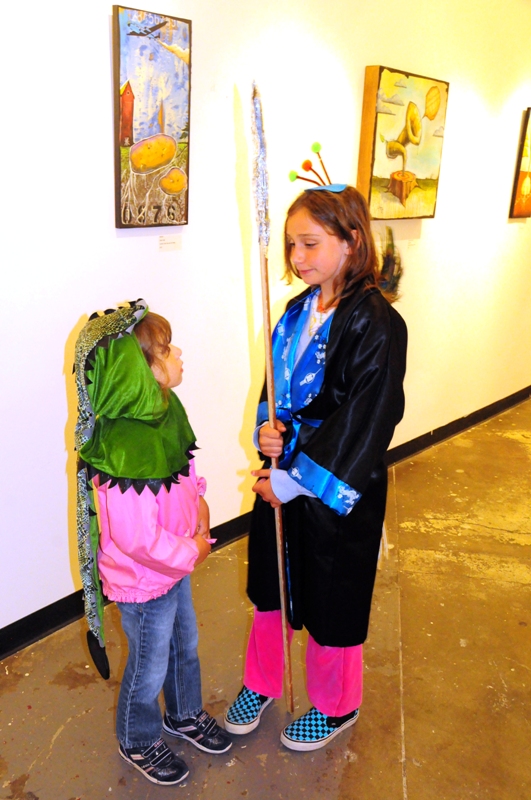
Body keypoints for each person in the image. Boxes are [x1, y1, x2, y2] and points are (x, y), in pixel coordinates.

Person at [224, 185, 407, 751]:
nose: (298, 257)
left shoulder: (376, 322)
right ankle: (263, 681)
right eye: (291, 245)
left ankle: (335, 704)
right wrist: (267, 429)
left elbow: (369, 416)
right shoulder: (296, 310)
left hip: (335, 482)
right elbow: (276, 390)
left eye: (310, 243)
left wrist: (291, 479)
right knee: (271, 582)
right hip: (281, 473)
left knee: (333, 591)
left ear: (352, 241)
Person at [74, 301, 231, 787]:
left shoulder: (164, 411)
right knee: (149, 662)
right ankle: (137, 737)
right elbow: (136, 537)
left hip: (171, 568)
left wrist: (200, 505)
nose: (178, 353)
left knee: (185, 642)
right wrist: (194, 552)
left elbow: (180, 474)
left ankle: (183, 713)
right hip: (145, 580)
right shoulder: (123, 444)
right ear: (134, 374)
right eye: (166, 349)